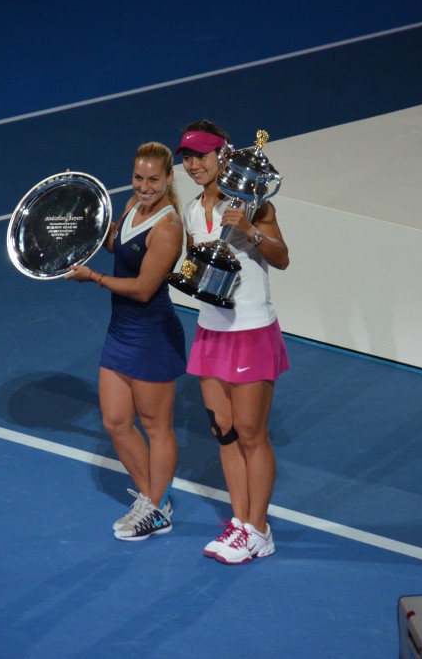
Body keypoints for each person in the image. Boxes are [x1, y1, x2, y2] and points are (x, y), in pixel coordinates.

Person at [175, 120, 290, 565]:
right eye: (187, 156)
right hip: (210, 330)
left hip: (251, 331)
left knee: (251, 434)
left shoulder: (252, 201)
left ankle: (260, 530)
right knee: (224, 433)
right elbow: (197, 267)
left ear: (223, 154)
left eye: (202, 155)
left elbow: (282, 259)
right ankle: (241, 522)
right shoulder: (190, 211)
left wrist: (251, 231)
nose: (193, 163)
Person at [67, 141, 187, 541]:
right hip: (120, 332)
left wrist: (94, 277)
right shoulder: (132, 206)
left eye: (154, 179)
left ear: (170, 179)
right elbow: (118, 244)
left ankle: (155, 508)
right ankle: (155, 500)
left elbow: (142, 288)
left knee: (156, 427)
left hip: (152, 336)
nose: (144, 186)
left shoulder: (169, 227)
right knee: (116, 422)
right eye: (139, 177)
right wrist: (85, 221)